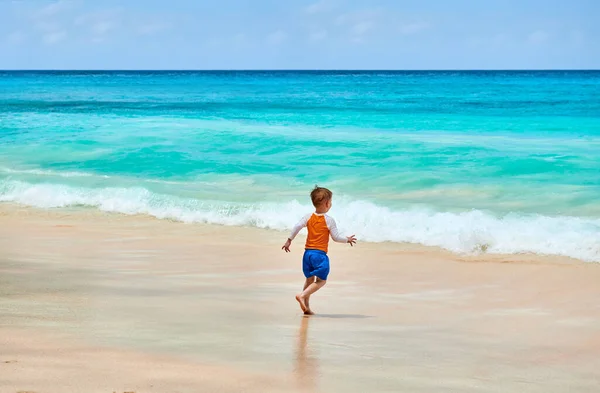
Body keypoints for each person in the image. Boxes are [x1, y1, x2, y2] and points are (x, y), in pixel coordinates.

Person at [282, 186, 356, 314]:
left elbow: (297, 227)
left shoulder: (308, 217)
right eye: (330, 202)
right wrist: (347, 239)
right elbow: (336, 238)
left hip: (307, 255)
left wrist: (289, 240)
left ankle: (307, 307)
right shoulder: (329, 220)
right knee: (321, 281)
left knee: (309, 280)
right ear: (327, 203)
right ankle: (302, 295)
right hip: (319, 256)